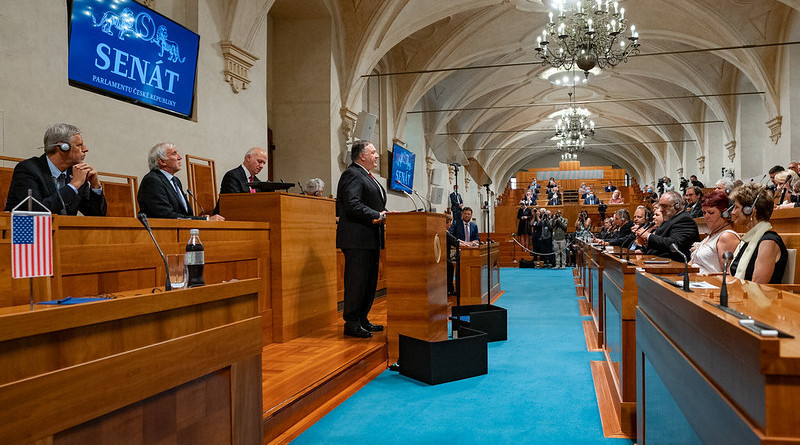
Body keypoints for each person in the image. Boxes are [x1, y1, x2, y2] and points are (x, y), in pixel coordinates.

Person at [336, 140, 387, 338]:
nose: (377, 156)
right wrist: (379, 215)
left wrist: (385, 214)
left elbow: (372, 204)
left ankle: (363, 318)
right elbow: (352, 204)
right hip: (357, 239)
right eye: (373, 152)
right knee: (357, 282)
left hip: (371, 239)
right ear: (361, 156)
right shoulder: (352, 174)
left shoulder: (367, 176)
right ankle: (351, 322)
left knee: (369, 282)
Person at [5, 123, 107, 216]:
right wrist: (74, 185)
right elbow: (37, 212)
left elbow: (97, 216)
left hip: (63, 233)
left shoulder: (75, 172)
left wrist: (95, 186)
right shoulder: (28, 169)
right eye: (79, 145)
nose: (85, 149)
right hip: (28, 232)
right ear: (63, 147)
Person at [138, 143, 225, 221]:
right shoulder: (152, 181)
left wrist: (200, 219)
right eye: (174, 153)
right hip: (162, 234)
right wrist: (204, 220)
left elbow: (184, 214)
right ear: (162, 161)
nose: (180, 157)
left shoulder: (175, 181)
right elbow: (166, 216)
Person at [728, 183, 788, 284]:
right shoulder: (747, 241)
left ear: (751, 210)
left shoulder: (768, 242)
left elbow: (758, 285)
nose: (732, 212)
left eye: (736, 207)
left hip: (759, 298)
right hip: (740, 295)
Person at [633, 190, 700, 262]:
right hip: (659, 261)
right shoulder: (669, 219)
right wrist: (645, 242)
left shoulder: (684, 220)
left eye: (664, 206)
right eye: (660, 205)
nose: (661, 209)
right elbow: (660, 242)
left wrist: (648, 236)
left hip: (675, 266)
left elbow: (673, 245)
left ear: (676, 206)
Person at [689, 191, 740, 274]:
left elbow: (727, 273)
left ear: (725, 213)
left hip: (710, 284)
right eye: (704, 213)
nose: (706, 217)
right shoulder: (712, 234)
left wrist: (702, 276)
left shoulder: (727, 237)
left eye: (711, 213)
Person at [213, 147, 267, 214]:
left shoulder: (257, 182)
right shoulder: (232, 176)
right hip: (227, 219)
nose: (262, 166)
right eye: (259, 161)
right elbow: (233, 204)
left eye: (264, 163)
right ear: (248, 158)